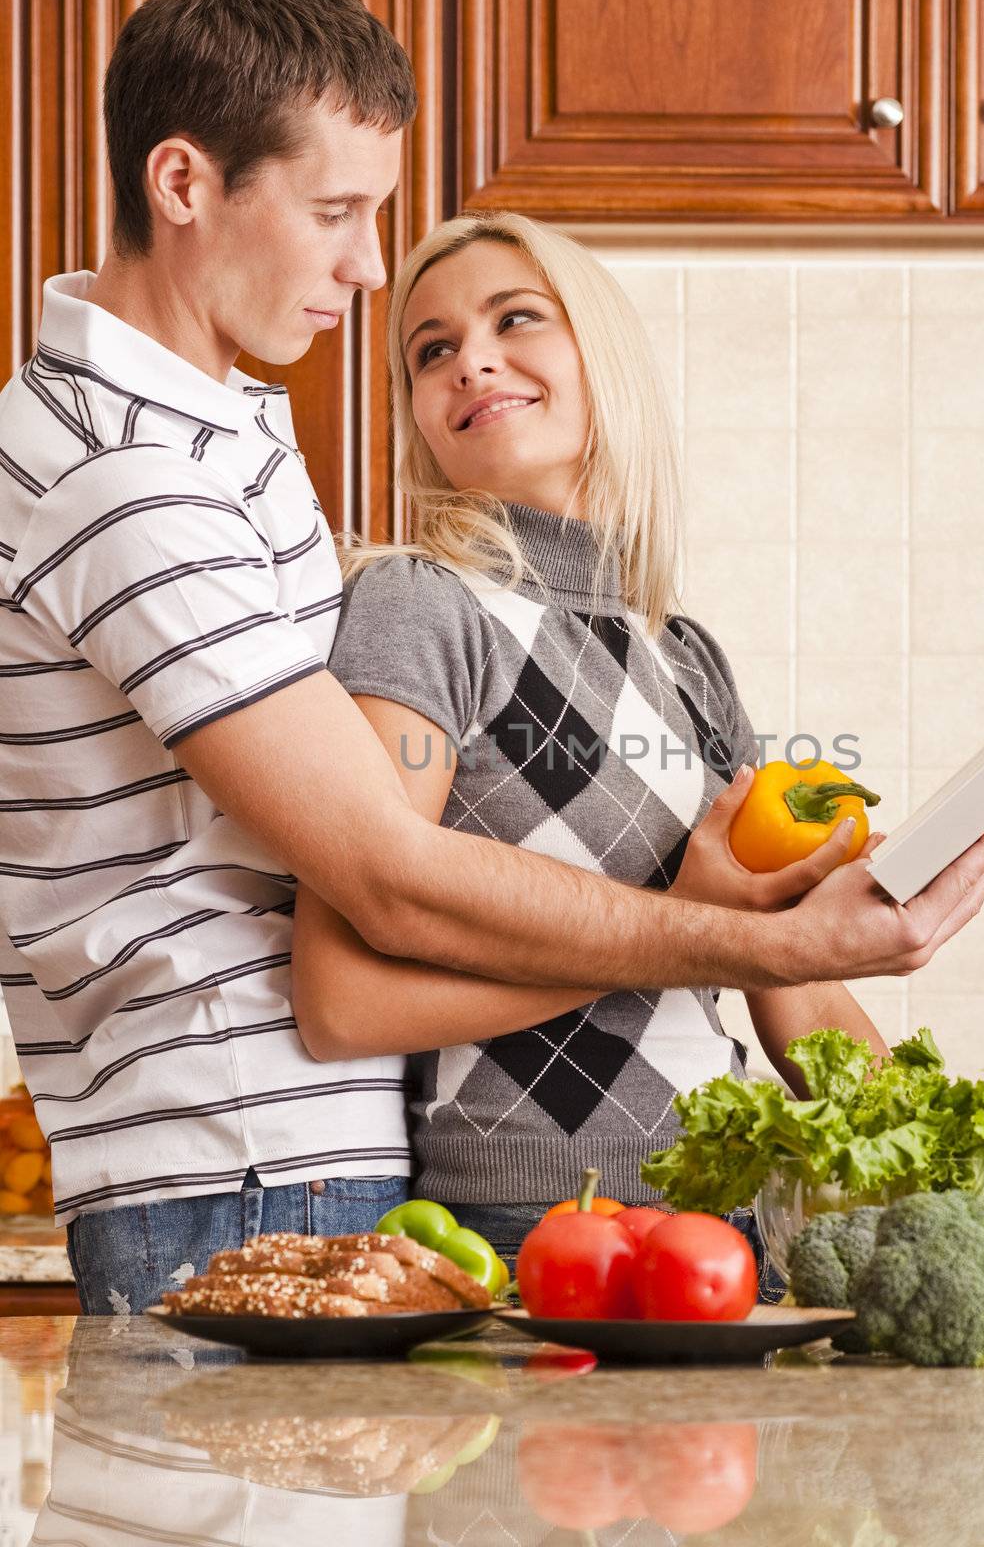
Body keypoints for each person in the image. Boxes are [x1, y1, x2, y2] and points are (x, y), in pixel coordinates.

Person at [0, 0, 984, 1314]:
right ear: (185, 186)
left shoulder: (220, 437)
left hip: (304, 1149)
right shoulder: (130, 474)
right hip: (239, 1152)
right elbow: (383, 886)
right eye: (339, 213)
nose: (367, 269)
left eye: (513, 320)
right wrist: (740, 937)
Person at [285, 211, 880, 1274]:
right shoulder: (421, 607)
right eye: (431, 350)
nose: (469, 360)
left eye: (514, 319)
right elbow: (345, 1000)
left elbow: (792, 983)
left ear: (598, 357)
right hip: (527, 1229)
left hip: (726, 1217)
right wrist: (686, 926)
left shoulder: (685, 654)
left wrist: (961, 1156)